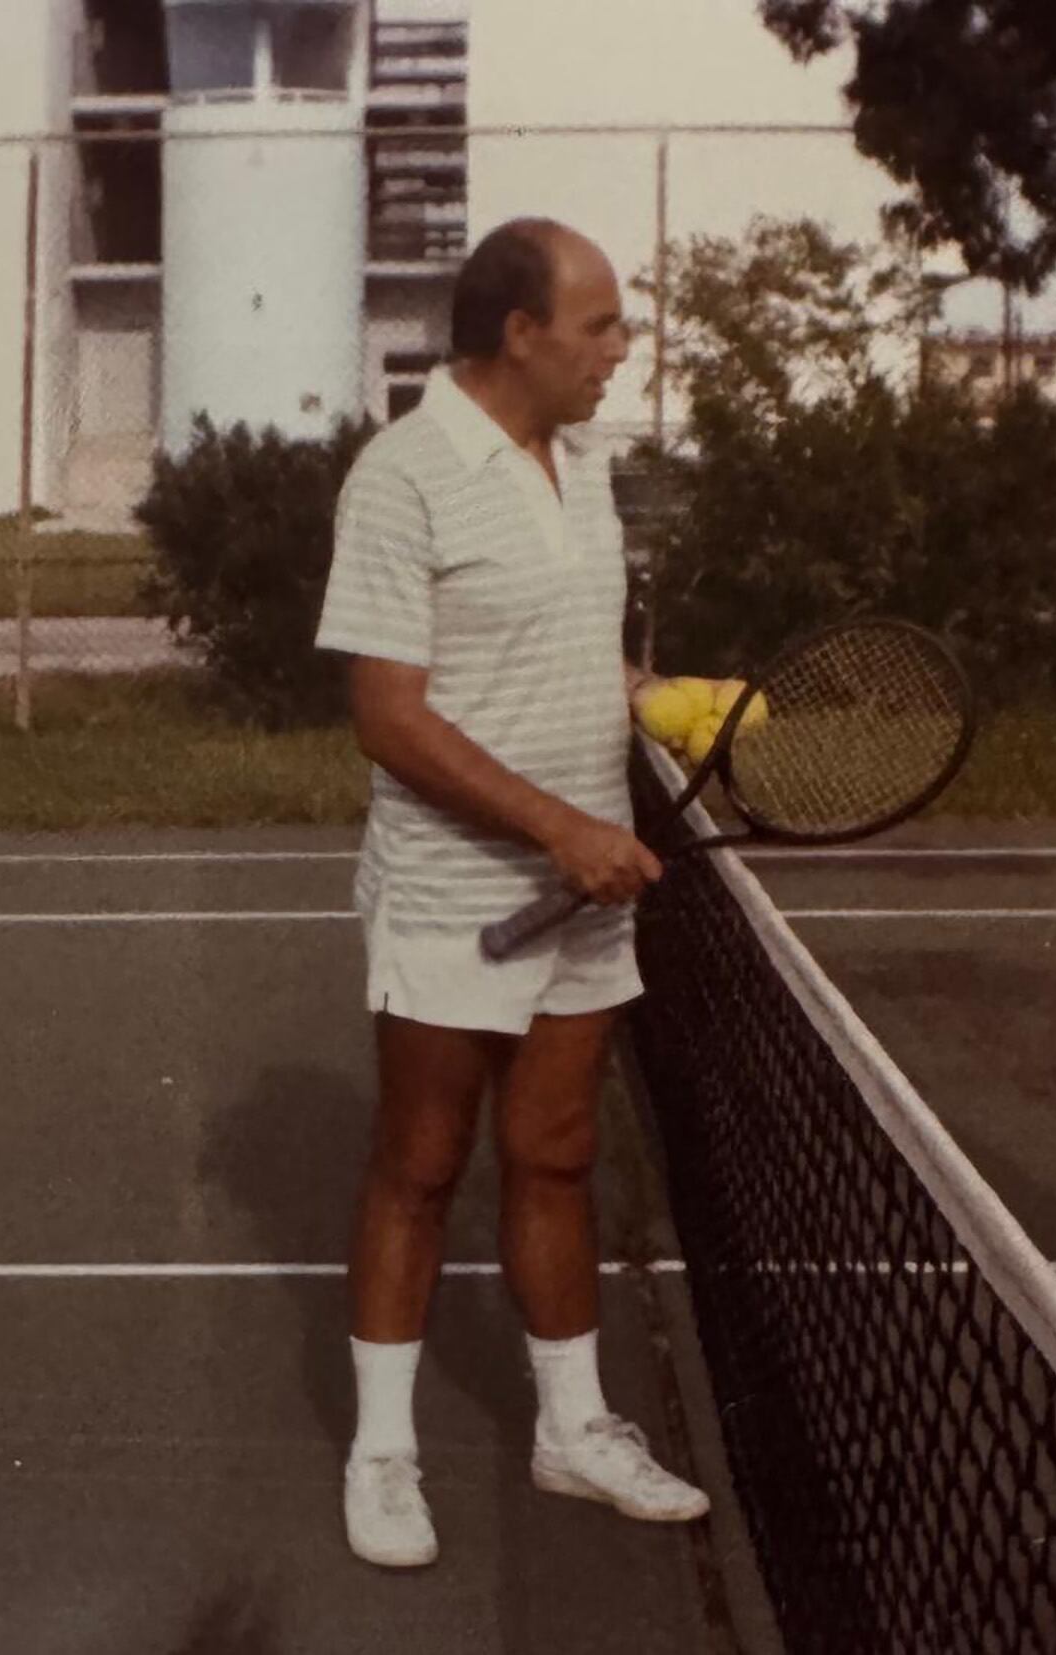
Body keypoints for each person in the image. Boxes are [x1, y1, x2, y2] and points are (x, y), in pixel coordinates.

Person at [314, 217, 708, 1570]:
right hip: (449, 894)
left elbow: (570, 657)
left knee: (557, 1155)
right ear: (519, 335)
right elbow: (388, 715)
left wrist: (663, 704)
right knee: (420, 1167)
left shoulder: (585, 465)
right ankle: (382, 1452)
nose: (621, 347)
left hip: (586, 890)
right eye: (599, 325)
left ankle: (573, 1429)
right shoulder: (403, 476)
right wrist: (554, 828)